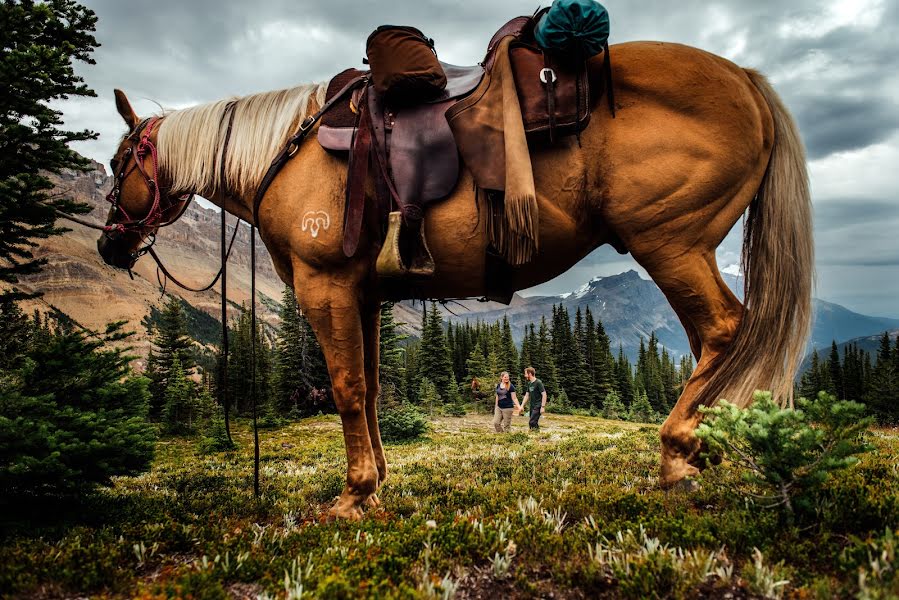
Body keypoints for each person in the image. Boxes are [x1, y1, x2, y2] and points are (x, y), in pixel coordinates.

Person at [521, 366, 547, 431]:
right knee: (532, 423)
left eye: (525, 374)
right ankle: (536, 435)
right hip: (532, 405)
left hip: (538, 405)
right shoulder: (529, 383)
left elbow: (544, 394)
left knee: (532, 422)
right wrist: (522, 405)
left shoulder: (538, 382)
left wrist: (543, 407)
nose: (525, 375)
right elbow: (527, 395)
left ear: (529, 374)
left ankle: (536, 434)